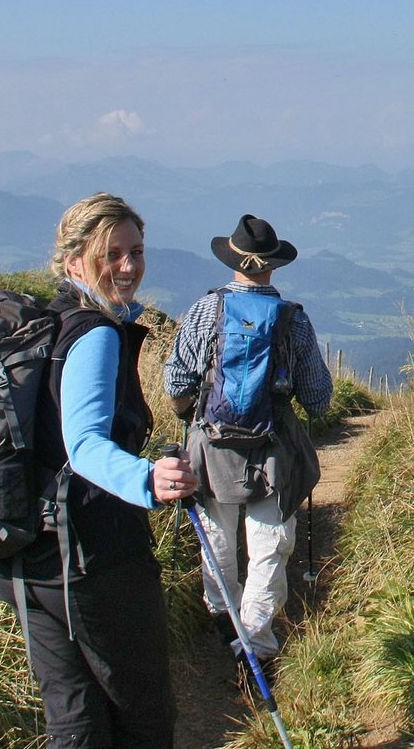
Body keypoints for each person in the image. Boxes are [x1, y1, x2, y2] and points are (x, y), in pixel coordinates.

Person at [0, 192, 199, 749]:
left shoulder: (46, 325)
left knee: (75, 717)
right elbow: (82, 445)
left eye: (136, 251)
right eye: (112, 254)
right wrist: (147, 479)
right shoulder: (95, 333)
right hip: (93, 557)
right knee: (143, 715)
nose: (128, 267)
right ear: (75, 259)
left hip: (27, 560)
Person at [164, 214, 332, 666]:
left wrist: (190, 414)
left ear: (233, 259)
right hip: (272, 446)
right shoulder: (294, 319)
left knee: (217, 533)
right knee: (270, 542)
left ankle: (224, 615)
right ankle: (255, 641)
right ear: (273, 265)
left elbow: (176, 381)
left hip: (211, 440)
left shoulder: (205, 310)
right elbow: (317, 397)